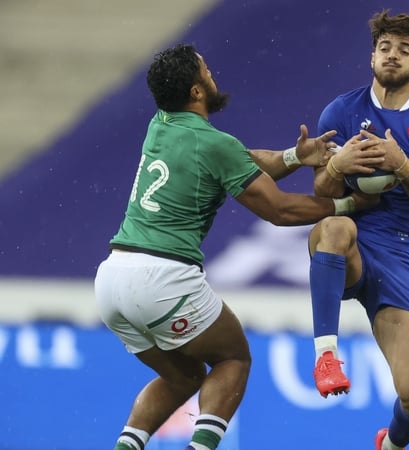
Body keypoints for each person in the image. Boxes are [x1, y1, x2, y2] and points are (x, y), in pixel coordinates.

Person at [94, 43, 378, 450]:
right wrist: (349, 204)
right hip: (163, 277)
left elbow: (241, 162)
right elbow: (279, 210)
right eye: (206, 71)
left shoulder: (161, 124)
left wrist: (296, 156)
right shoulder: (214, 144)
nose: (212, 75)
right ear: (196, 91)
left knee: (183, 377)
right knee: (233, 359)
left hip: (111, 280)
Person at [306, 10, 409, 450]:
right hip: (349, 241)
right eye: (385, 47)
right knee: (334, 226)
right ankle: (326, 357)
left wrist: (402, 165)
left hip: (397, 253)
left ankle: (389, 444)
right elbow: (321, 192)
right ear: (372, 56)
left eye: (404, 50)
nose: (392, 55)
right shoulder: (340, 111)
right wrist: (336, 166)